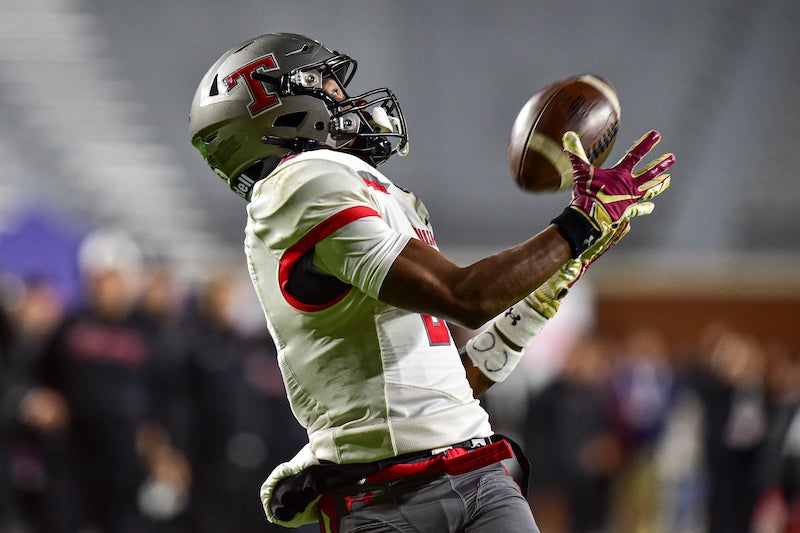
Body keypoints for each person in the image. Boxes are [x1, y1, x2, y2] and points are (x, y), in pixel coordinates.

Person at [188, 32, 675, 532]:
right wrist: (577, 226)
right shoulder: (301, 182)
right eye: (323, 83)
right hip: (383, 497)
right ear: (280, 110)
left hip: (477, 472)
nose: (342, 95)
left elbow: (448, 385)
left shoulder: (369, 190)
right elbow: (465, 297)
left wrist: (540, 298)